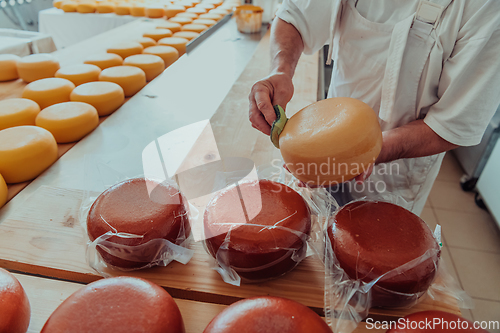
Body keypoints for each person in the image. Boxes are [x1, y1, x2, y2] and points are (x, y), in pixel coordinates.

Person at [248, 0, 500, 215]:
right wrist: (281, 70)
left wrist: (367, 151)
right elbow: (296, 15)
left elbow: (452, 125)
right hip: (323, 137)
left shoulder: (486, 9)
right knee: (317, 243)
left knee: (369, 261)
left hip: (394, 176)